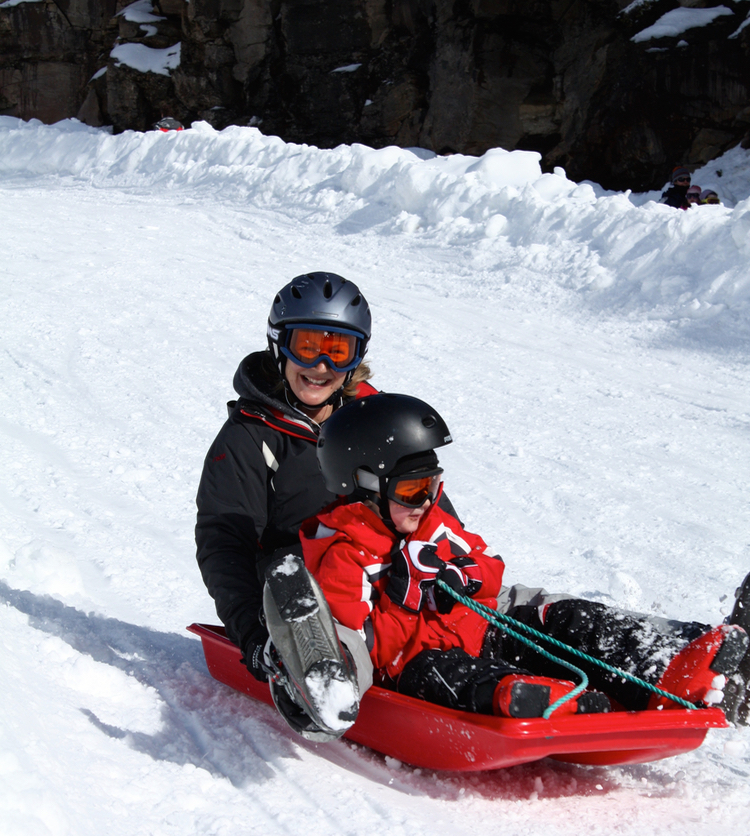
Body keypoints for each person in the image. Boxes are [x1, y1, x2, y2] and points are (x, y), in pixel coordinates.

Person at [265, 393, 750, 735]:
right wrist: (397, 593)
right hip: (418, 664)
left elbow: (490, 567)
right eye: (412, 490)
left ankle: (662, 674)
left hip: (483, 631)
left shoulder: (431, 522)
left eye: (432, 485)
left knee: (564, 620)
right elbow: (359, 643)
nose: (426, 501)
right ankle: (541, 702)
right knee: (448, 676)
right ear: (363, 485)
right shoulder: (343, 551)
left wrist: (462, 574)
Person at [195, 273, 459, 738]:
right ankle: (312, 674)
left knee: (483, 600)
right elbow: (225, 544)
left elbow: (428, 506)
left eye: (337, 351)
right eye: (307, 346)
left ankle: (598, 641)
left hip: (382, 582)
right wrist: (254, 640)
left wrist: (451, 567)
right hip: (307, 598)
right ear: (279, 345)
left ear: (357, 356)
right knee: (326, 616)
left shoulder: (376, 421)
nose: (319, 365)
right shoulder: (248, 438)